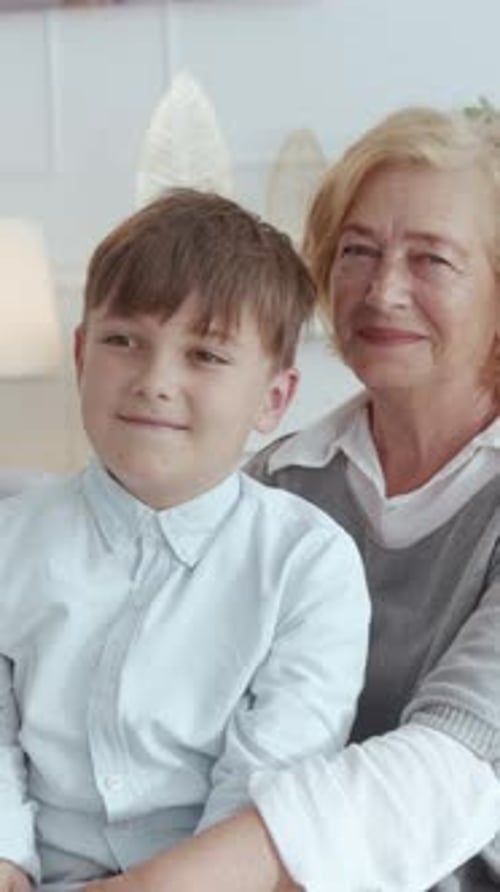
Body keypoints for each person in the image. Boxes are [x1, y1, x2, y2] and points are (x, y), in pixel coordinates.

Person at [87, 106, 500, 892]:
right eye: (357, 251)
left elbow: (458, 763)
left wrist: (159, 886)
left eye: (432, 259)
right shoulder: (272, 482)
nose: (383, 289)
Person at [0, 189, 370, 892]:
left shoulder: (307, 566)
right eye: (122, 341)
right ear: (80, 356)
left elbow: (270, 786)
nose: (155, 381)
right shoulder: (12, 537)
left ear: (274, 399)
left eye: (204, 354)